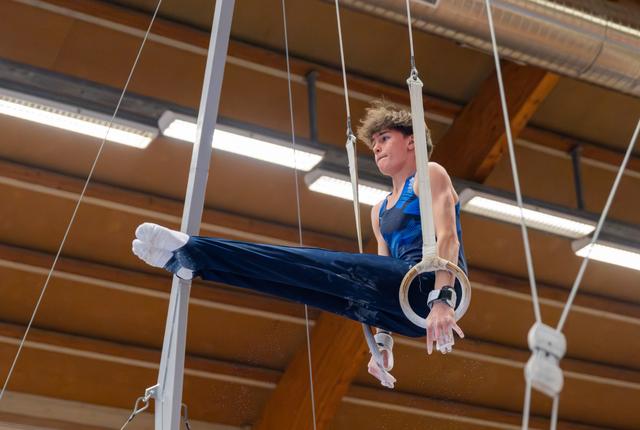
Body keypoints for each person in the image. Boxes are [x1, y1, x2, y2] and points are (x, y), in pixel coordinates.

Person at [132, 100, 467, 387]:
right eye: (374, 143)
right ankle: (195, 264)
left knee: (314, 263)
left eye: (384, 138)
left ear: (412, 143)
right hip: (405, 304)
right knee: (298, 284)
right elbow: (381, 273)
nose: (376, 148)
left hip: (432, 285)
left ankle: (193, 246)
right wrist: (381, 343)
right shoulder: (378, 211)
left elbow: (447, 236)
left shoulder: (430, 174)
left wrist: (443, 301)